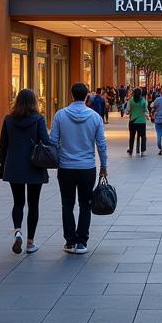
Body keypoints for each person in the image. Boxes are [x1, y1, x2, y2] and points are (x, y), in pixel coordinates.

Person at [50, 82, 108, 254]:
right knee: (85, 204)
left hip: (66, 167)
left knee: (67, 204)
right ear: (87, 96)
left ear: (71, 95)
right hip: (87, 167)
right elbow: (101, 144)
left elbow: (53, 141)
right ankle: (82, 241)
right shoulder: (95, 117)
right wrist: (104, 165)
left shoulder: (60, 115)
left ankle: (69, 241)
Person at [0, 88, 51, 255]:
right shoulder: (38, 119)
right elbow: (46, 141)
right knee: (33, 204)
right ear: (34, 102)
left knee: (18, 202)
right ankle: (30, 243)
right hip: (34, 165)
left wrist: (3, 163)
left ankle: (18, 231)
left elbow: (3, 146)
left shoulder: (8, 119)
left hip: (14, 165)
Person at [127, 87, 148, 156]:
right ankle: (142, 150)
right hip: (141, 121)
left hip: (133, 121)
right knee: (143, 136)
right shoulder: (143, 100)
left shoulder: (131, 100)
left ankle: (130, 150)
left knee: (132, 136)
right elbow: (145, 110)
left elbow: (128, 110)